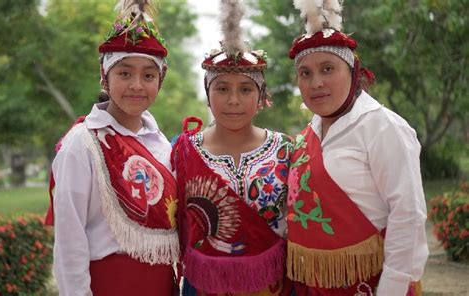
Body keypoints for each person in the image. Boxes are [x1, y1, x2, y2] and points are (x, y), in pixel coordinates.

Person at [286, 1, 429, 296]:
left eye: (328, 69)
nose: (316, 83)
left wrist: (392, 289)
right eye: (305, 73)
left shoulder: (383, 127)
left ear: (353, 72)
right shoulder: (306, 134)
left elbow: (408, 215)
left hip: (373, 285)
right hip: (312, 286)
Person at [44, 1, 179, 295]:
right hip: (108, 285)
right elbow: (69, 240)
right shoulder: (82, 143)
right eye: (124, 73)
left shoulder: (161, 144)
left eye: (148, 75)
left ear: (160, 81)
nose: (137, 85)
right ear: (105, 77)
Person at [171, 1, 293, 295]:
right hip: (204, 286)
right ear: (208, 93)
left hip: (274, 286)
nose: (234, 100)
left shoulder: (287, 149)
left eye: (246, 89)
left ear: (261, 95)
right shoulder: (184, 150)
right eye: (222, 88)